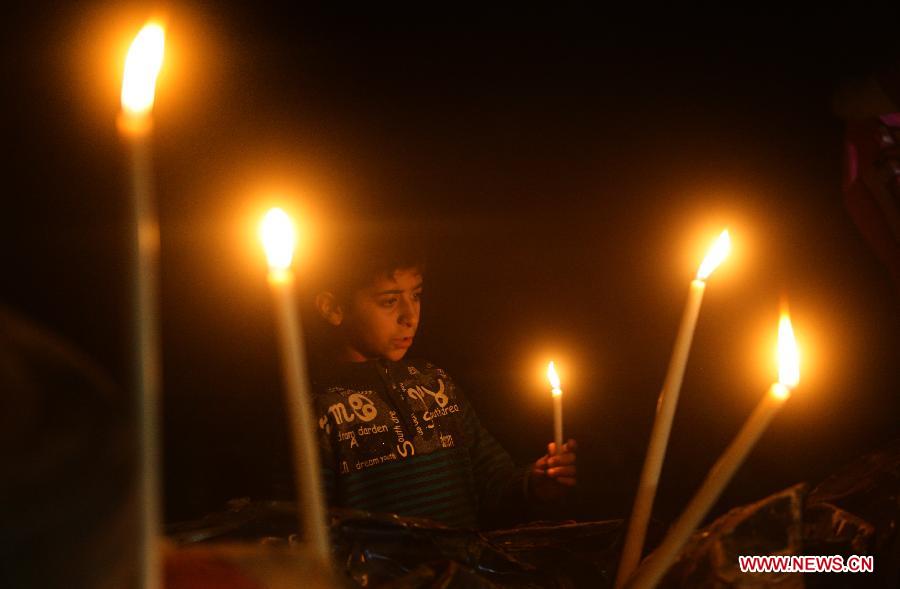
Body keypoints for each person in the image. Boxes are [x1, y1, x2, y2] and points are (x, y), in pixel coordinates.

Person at [307, 236, 577, 529]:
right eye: (389, 301)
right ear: (332, 308)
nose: (410, 317)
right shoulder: (317, 408)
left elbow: (491, 480)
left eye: (416, 296)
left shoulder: (435, 385)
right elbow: (304, 529)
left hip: (460, 572)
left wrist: (534, 484)